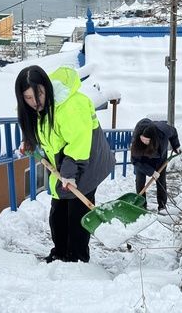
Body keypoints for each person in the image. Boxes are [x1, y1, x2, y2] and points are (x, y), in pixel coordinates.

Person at [15, 65, 115, 263]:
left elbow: (79, 143)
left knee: (77, 215)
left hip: (87, 162)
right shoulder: (39, 108)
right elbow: (45, 131)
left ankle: (77, 258)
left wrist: (70, 173)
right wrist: (31, 141)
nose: (35, 102)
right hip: (65, 165)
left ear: (47, 88)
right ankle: (60, 253)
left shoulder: (71, 106)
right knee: (58, 213)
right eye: (28, 98)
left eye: (39, 94)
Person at [130, 118, 181, 212]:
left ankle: (162, 206)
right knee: (140, 181)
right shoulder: (137, 141)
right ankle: (142, 206)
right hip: (142, 161)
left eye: (146, 140)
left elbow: (173, 132)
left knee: (161, 182)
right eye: (142, 139)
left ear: (153, 139)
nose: (144, 142)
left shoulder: (163, 130)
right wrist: (151, 171)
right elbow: (135, 161)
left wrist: (176, 146)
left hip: (160, 159)